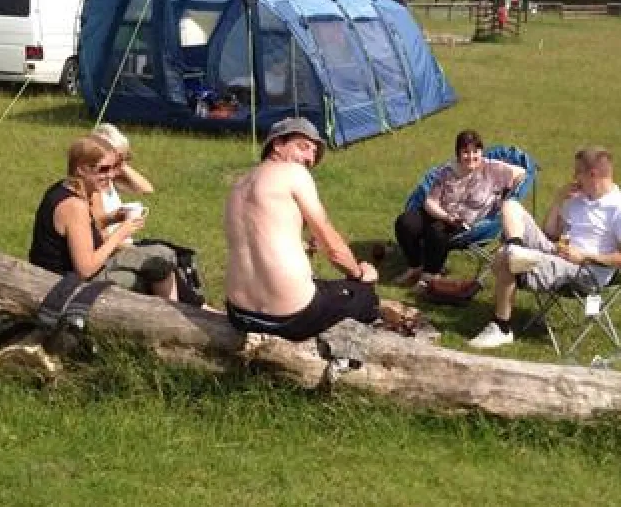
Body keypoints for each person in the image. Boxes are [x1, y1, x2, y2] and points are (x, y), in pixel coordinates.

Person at [224, 117, 381, 341]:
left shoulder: (239, 184)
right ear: (277, 144)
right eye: (303, 146)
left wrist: (303, 247)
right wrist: (360, 274)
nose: (309, 158)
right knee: (365, 298)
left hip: (239, 314)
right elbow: (333, 248)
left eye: (314, 153)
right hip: (289, 317)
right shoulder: (293, 173)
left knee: (323, 286)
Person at [469, 146, 621, 349]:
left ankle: (502, 328)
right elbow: (549, 233)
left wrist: (584, 256)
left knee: (504, 258)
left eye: (578, 172)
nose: (574, 177)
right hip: (559, 253)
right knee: (511, 206)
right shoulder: (578, 198)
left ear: (592, 174)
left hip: (586, 271)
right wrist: (559, 200)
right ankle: (515, 248)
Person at [28, 135, 178, 301]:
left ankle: (175, 310)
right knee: (146, 274)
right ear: (81, 169)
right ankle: (165, 317)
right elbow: (85, 270)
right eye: (104, 169)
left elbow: (83, 232)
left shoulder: (70, 188)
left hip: (74, 275)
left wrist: (112, 218)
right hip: (61, 285)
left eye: (113, 168)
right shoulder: (73, 206)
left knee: (162, 255)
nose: (111, 175)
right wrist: (119, 234)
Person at [394, 130, 527, 289]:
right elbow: (430, 202)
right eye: (466, 152)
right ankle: (415, 265)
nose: (471, 156)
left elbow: (523, 173)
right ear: (458, 153)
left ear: (481, 151)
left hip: (462, 222)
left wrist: (507, 197)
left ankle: (430, 275)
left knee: (436, 231)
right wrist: (445, 216)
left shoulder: (493, 170)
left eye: (475, 151)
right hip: (440, 212)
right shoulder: (447, 171)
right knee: (405, 222)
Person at [91, 123, 154, 235]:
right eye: (119, 158)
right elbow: (99, 237)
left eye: (126, 157)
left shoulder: (110, 179)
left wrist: (120, 165)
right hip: (114, 247)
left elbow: (146, 189)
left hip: (121, 244)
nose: (123, 164)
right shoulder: (93, 187)